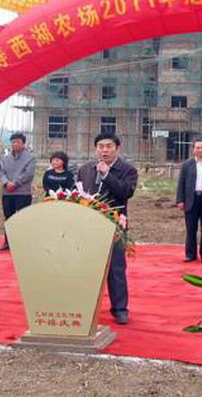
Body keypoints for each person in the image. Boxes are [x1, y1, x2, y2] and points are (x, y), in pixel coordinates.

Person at [77, 132, 138, 325]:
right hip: (89, 225)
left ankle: (119, 309)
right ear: (96, 149)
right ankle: (84, 306)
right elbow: (79, 194)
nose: (104, 150)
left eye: (109, 146)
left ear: (117, 148)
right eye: (101, 146)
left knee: (115, 269)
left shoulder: (128, 170)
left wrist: (106, 174)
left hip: (115, 226)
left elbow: (125, 192)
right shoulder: (85, 169)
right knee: (86, 267)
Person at [0, 133, 36, 251]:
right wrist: (6, 183)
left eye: (18, 142)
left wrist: (15, 183)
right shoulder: (5, 158)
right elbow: (0, 172)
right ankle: (7, 242)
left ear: (23, 143)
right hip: (7, 193)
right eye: (13, 142)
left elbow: (28, 174)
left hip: (23, 193)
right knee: (8, 218)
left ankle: (22, 244)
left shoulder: (30, 158)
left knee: (22, 219)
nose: (15, 144)